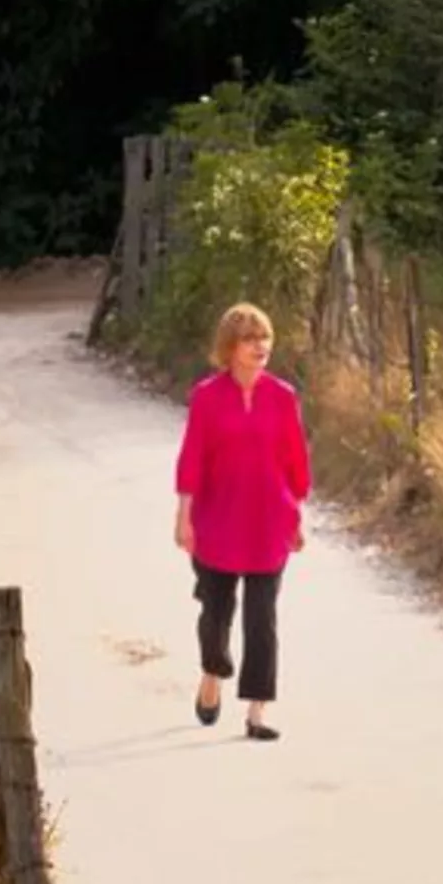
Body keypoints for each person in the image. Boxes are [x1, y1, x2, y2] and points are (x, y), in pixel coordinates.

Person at [173, 302, 311, 741]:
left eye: (264, 337)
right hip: (216, 520)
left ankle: (257, 712)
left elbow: (295, 459)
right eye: (250, 339)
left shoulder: (282, 396)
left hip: (269, 521)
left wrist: (297, 515)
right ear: (229, 348)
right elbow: (192, 458)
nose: (260, 346)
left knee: (262, 618)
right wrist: (184, 517)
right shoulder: (206, 397)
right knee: (216, 613)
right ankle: (213, 670)